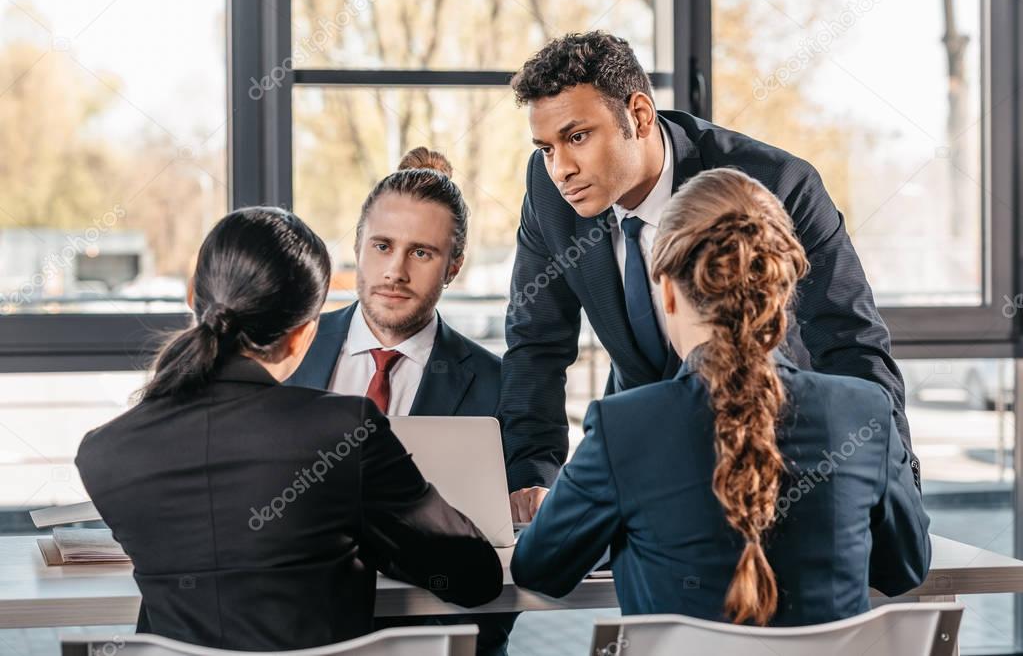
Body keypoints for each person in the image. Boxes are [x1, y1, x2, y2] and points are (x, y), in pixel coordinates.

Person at [500, 31, 917, 521]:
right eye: (546, 148)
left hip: (779, 465)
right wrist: (530, 474)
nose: (560, 168)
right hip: (646, 466)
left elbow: (850, 342)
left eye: (576, 137)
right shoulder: (549, 193)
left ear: (638, 114)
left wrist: (892, 493)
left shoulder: (777, 184)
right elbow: (535, 342)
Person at [511, 168, 931, 625]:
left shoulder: (623, 428)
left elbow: (540, 569)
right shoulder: (865, 412)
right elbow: (905, 568)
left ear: (666, 291)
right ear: (782, 287)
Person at [75, 207, 502, 652]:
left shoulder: (102, 453)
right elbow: (473, 579)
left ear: (191, 298)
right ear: (302, 336)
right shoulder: (343, 431)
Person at [287, 148, 516, 656]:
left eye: (421, 252)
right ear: (357, 247)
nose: (395, 271)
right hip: (297, 636)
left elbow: (503, 568)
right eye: (383, 245)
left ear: (454, 266)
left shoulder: (496, 386)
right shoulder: (287, 354)